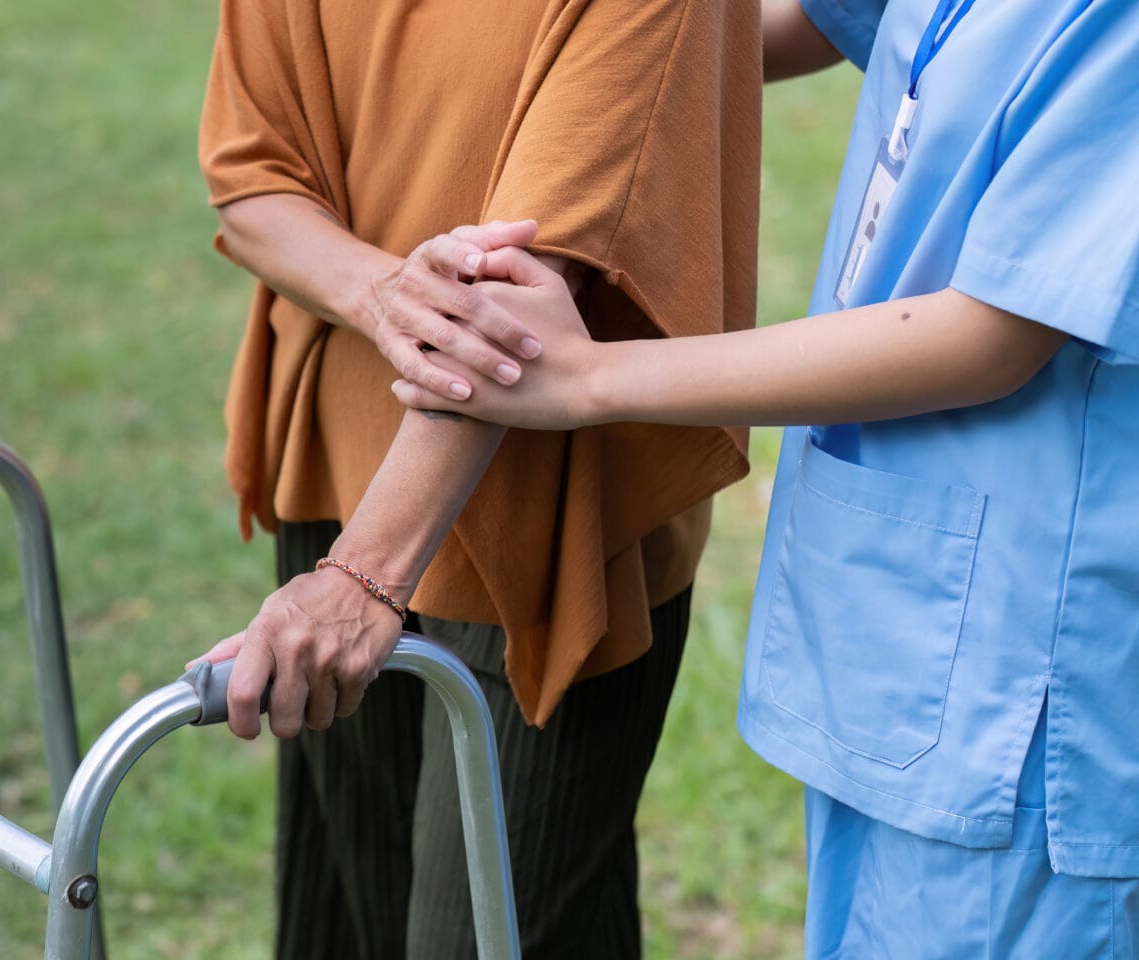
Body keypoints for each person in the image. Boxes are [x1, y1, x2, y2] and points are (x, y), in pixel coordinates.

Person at [385, 0, 1139, 954]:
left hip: (1024, 658)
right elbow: (813, 24)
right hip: (901, 617)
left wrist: (591, 376)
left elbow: (997, 333)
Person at [192, 0, 760, 955]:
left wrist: (363, 574)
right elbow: (251, 183)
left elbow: (521, 297)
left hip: (545, 531)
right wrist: (382, 294)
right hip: (336, 469)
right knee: (360, 926)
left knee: (496, 935)